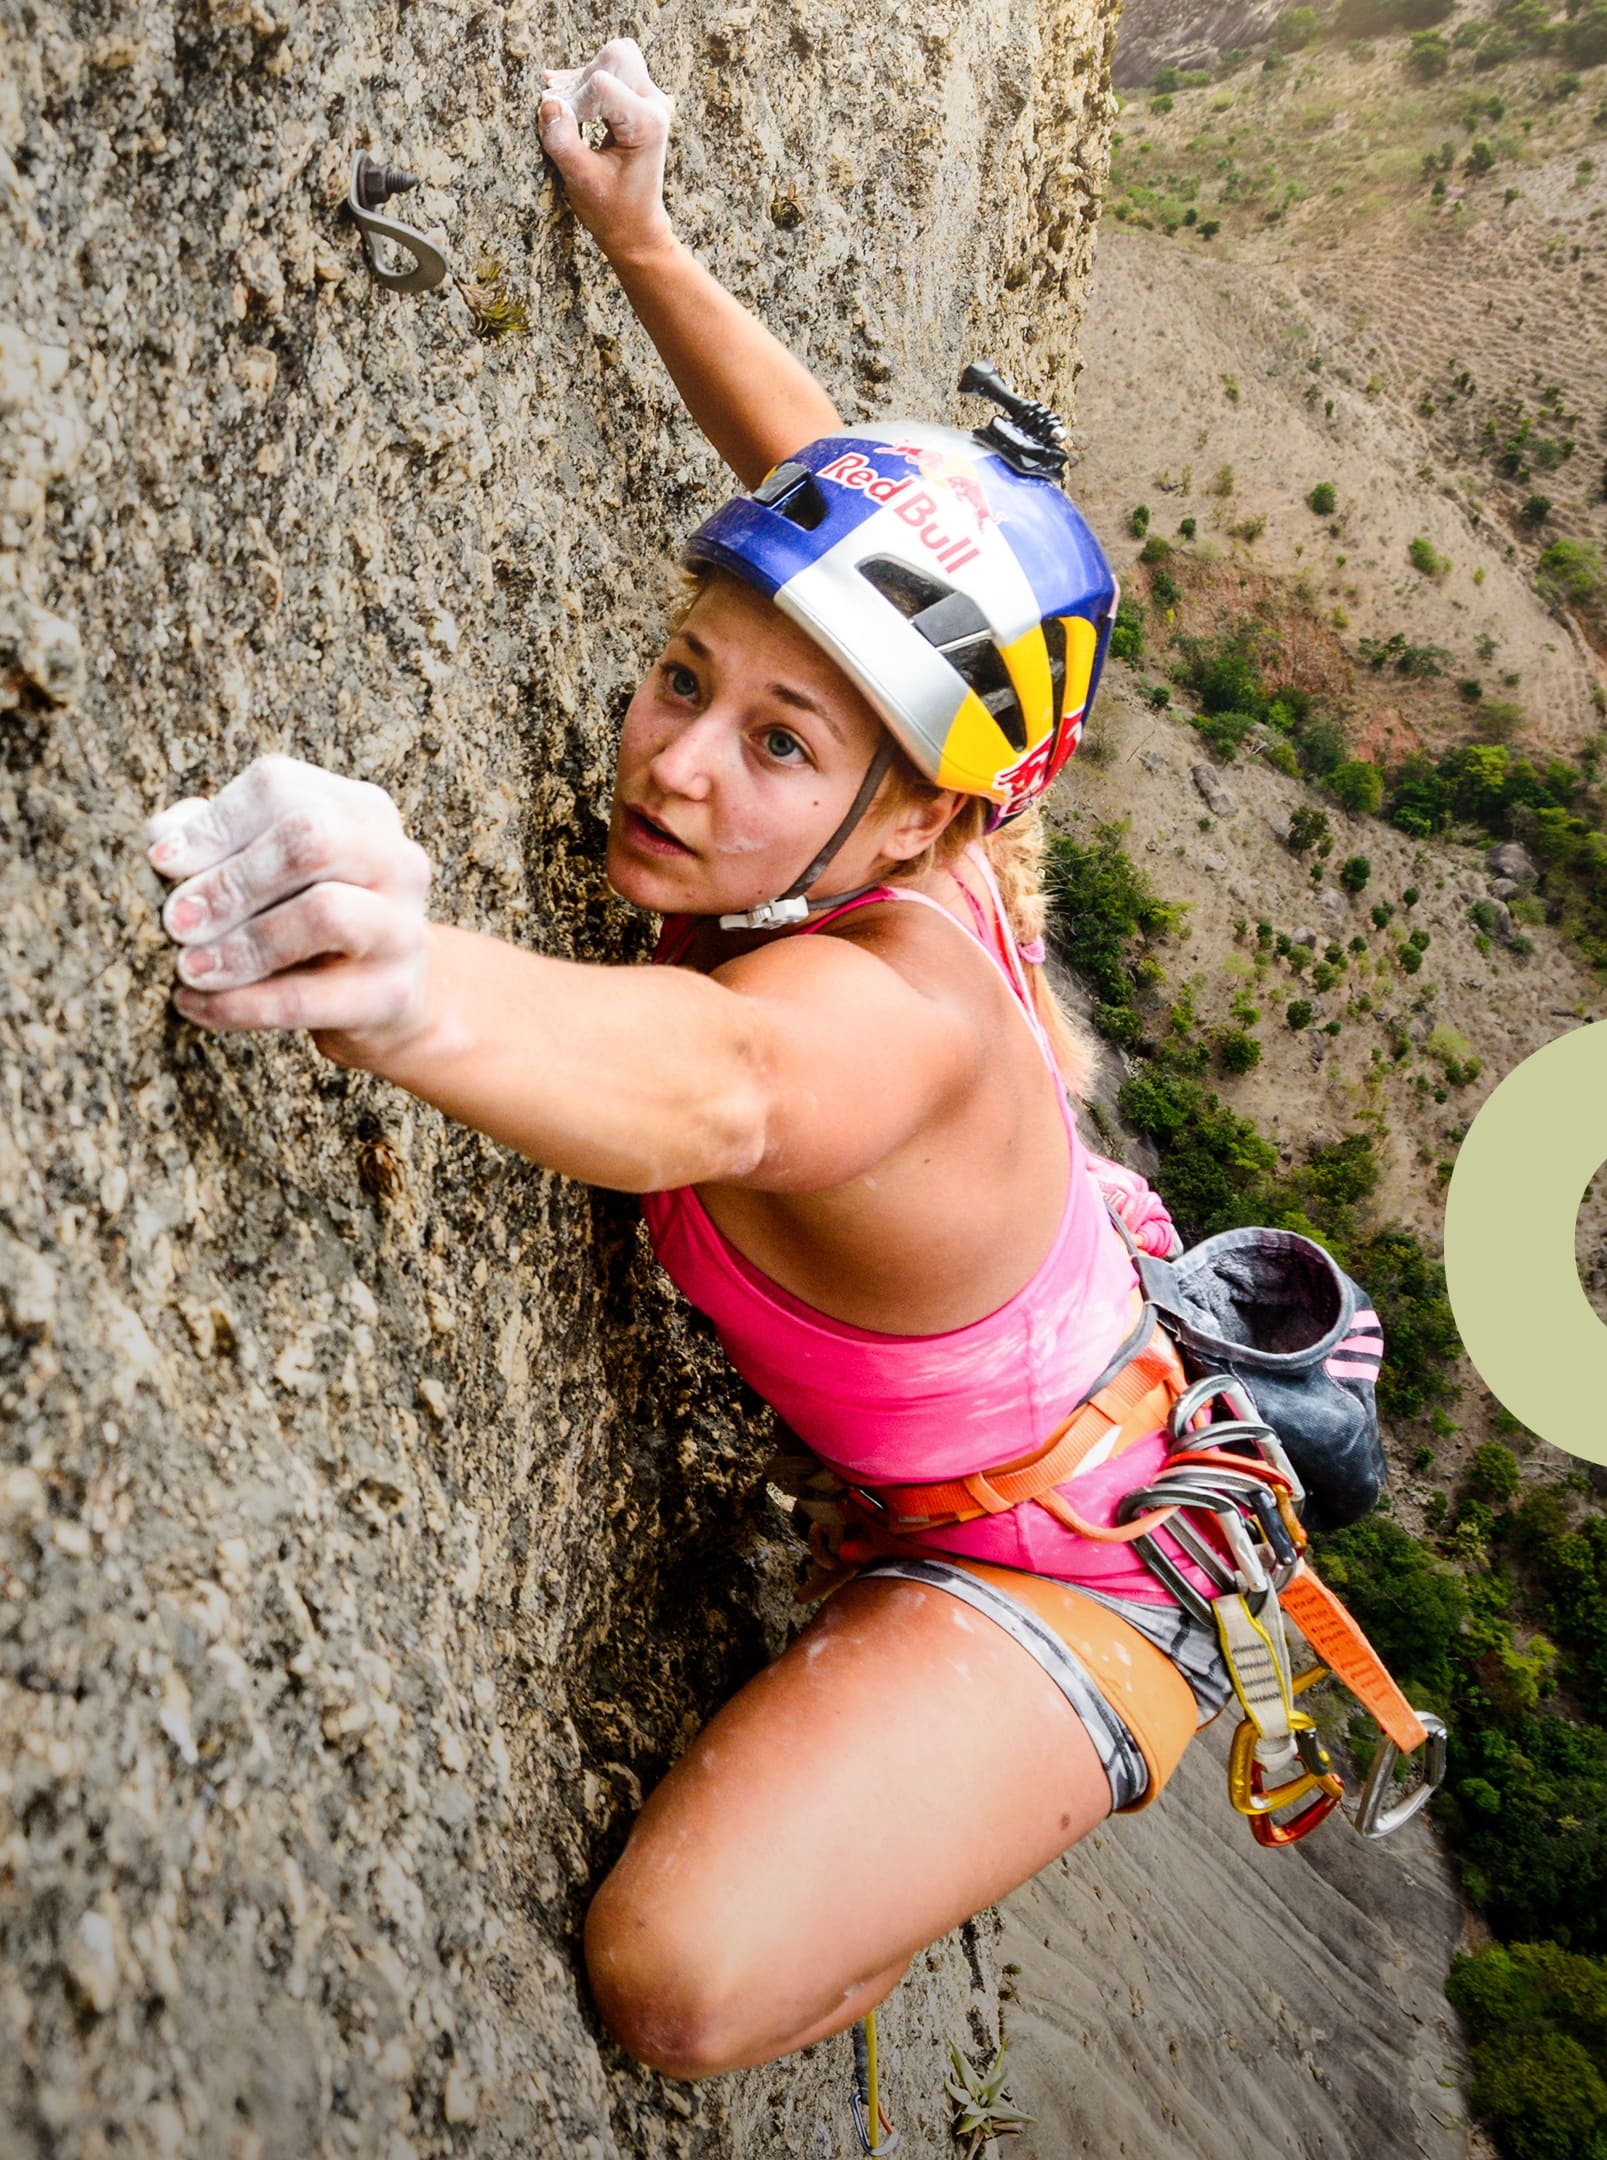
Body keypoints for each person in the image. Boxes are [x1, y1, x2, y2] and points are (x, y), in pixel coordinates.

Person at [140, 41, 1228, 2080]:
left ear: (922, 823)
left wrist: (401, 984)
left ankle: (951, 1806)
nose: (677, 763)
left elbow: (723, 1081)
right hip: (1027, 1381)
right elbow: (833, 488)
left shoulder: (893, 1024)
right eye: (681, 676)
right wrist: (641, 237)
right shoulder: (935, 795)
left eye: (778, 746)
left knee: (676, 1984)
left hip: (1070, 1559)